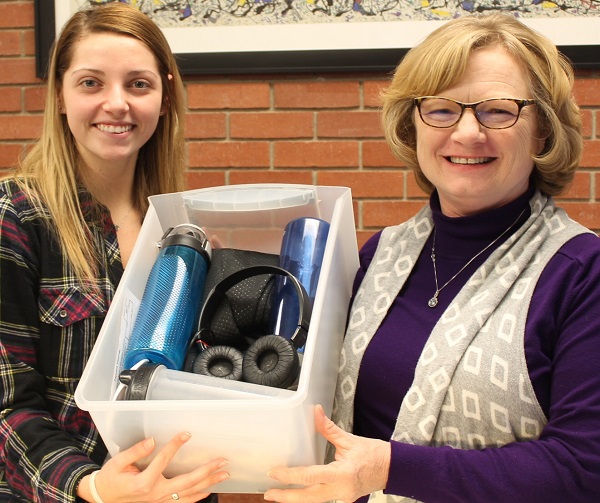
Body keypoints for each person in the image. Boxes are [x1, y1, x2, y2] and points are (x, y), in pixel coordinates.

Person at [263, 12, 600, 503]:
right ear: (413, 124)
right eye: (442, 109)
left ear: (543, 133)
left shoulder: (582, 274)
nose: (466, 133)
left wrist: (387, 468)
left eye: (498, 110)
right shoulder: (380, 254)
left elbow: (584, 469)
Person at [0, 3, 228, 502]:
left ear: (165, 99)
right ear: (59, 96)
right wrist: (92, 485)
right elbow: (6, 403)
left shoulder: (182, 232)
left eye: (139, 84)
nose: (117, 103)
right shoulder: (15, 216)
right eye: (91, 83)